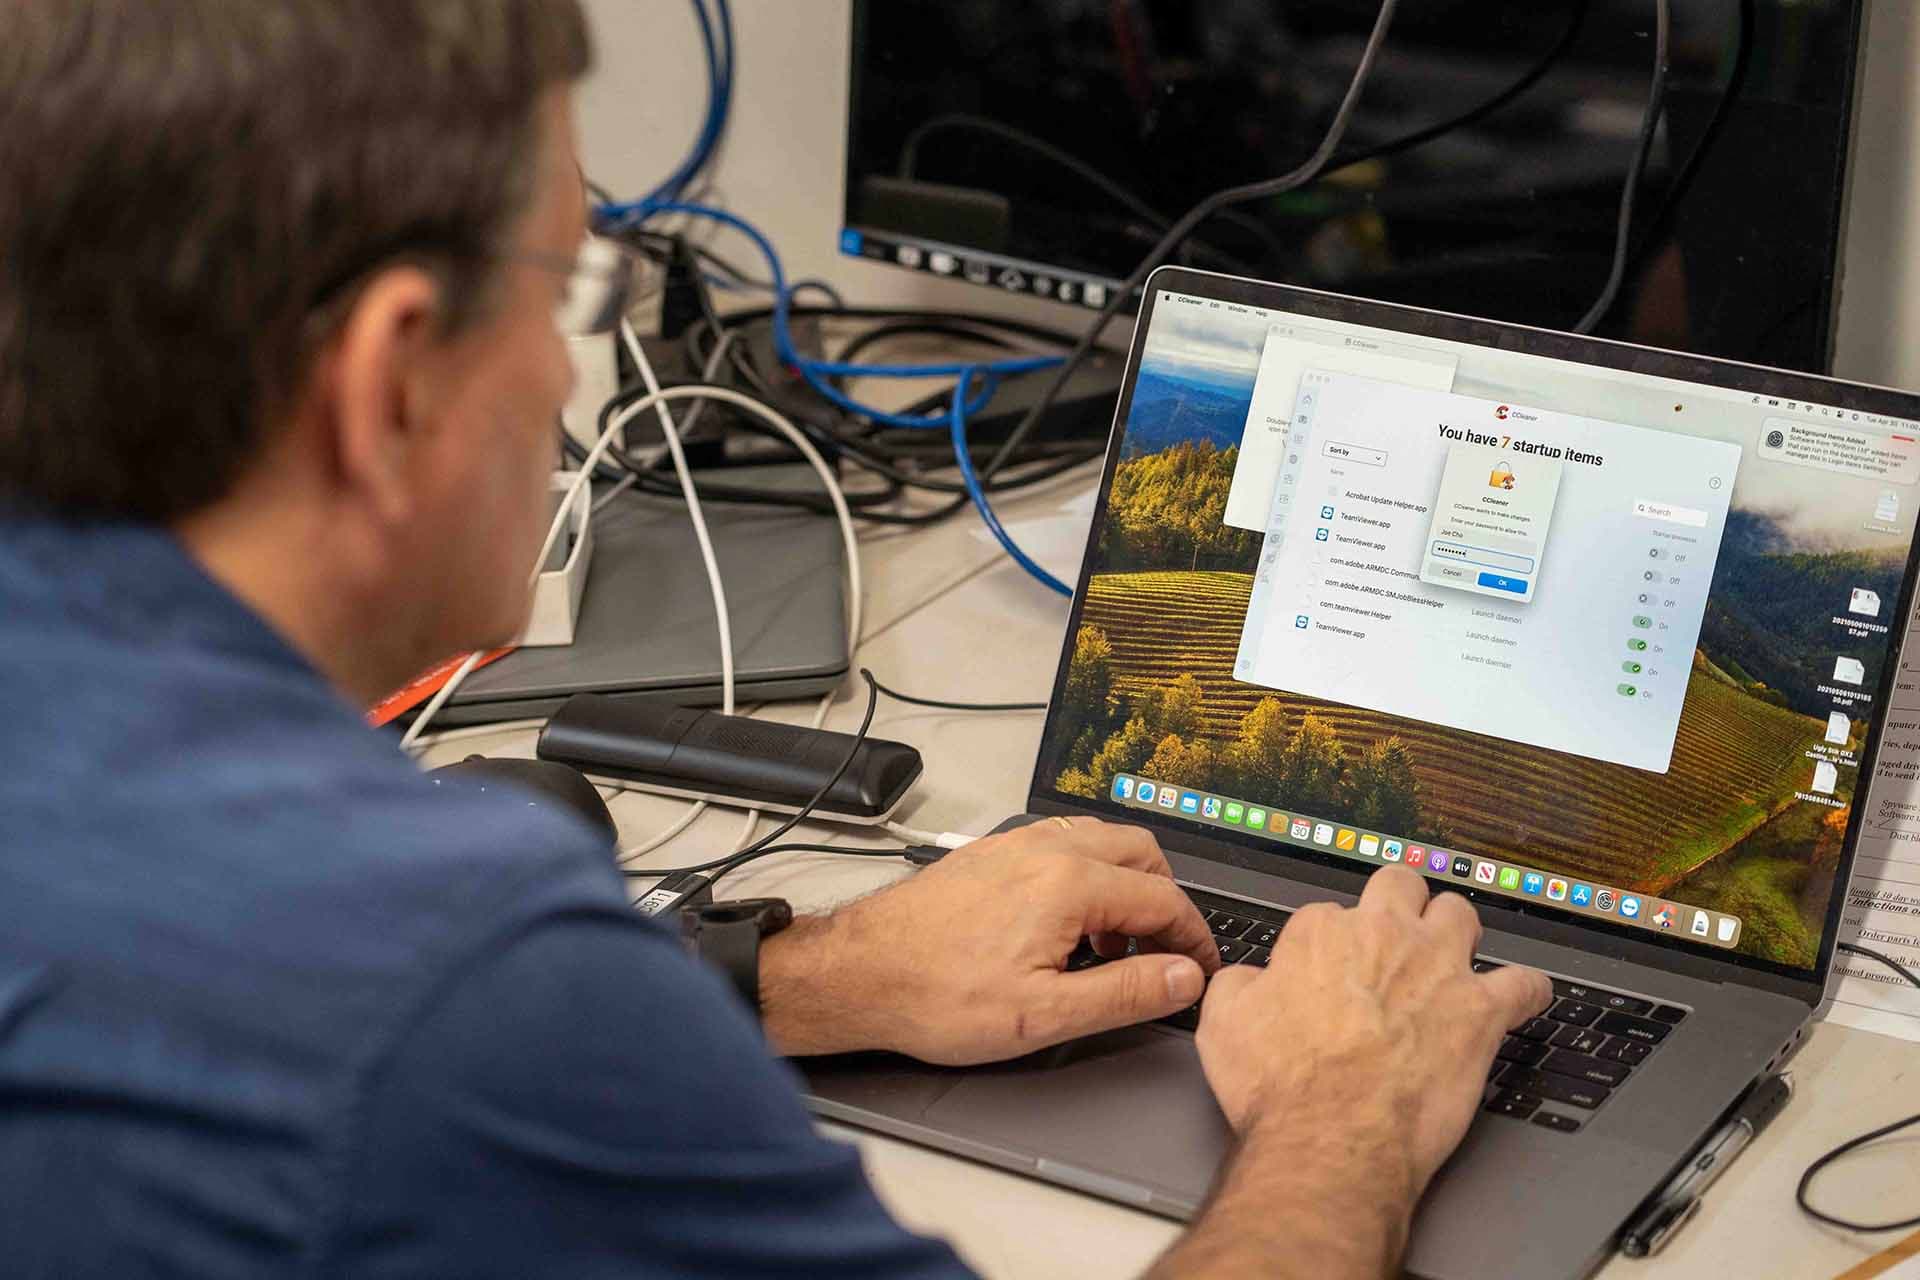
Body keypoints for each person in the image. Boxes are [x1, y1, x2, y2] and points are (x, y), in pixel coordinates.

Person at [0, 3, 1551, 1276]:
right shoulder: (447, 987)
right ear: (392, 380)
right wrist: (1345, 1111)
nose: (564, 373)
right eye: (567, 287)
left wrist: (804, 975)